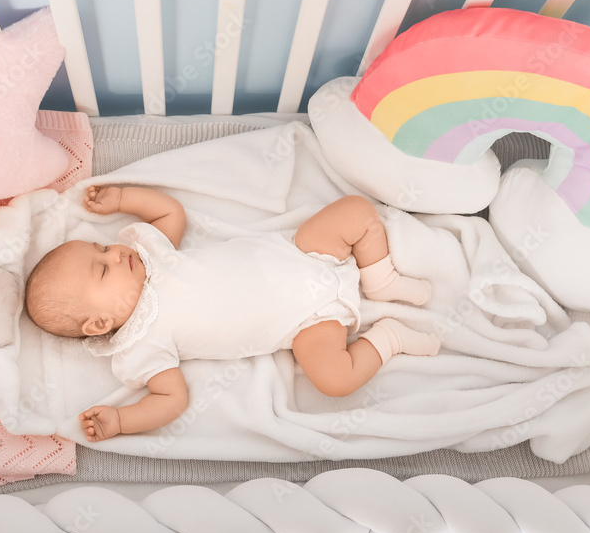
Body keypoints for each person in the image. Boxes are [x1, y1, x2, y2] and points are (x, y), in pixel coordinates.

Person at [25, 185, 440, 442]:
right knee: (334, 379)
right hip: (309, 323)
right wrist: (121, 420)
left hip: (304, 253)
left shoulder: (152, 255)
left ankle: (380, 278)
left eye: (102, 249)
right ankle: (390, 338)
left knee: (354, 210)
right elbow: (171, 399)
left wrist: (123, 198)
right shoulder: (139, 346)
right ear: (99, 323)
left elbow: (170, 212)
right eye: (102, 268)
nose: (114, 253)